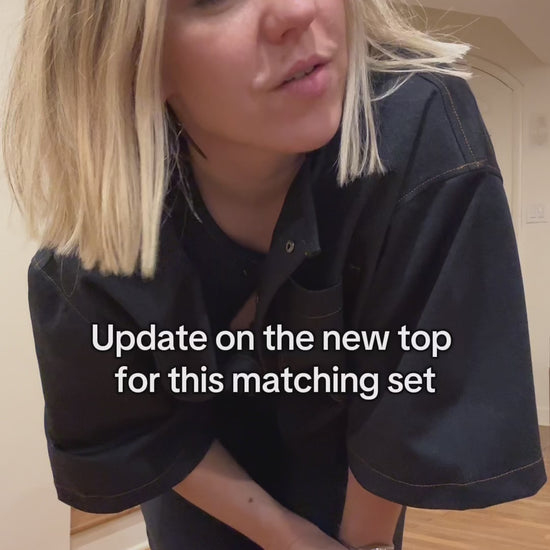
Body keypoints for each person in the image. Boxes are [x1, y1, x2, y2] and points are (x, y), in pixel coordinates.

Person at [2, 1, 546, 549]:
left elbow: (403, 393)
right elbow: (141, 430)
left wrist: (361, 545)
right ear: (131, 55)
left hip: (358, 490)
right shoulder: (97, 232)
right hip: (200, 499)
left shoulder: (418, 128)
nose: (298, 9)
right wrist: (289, 538)